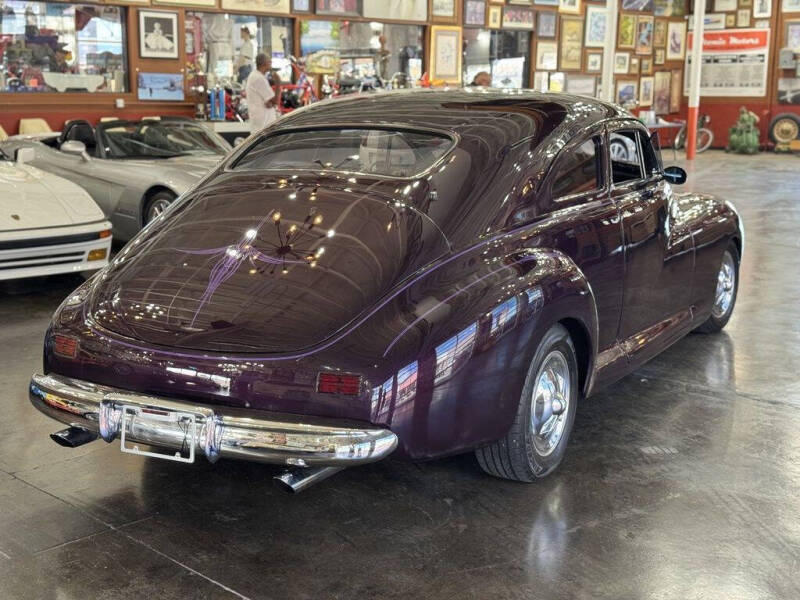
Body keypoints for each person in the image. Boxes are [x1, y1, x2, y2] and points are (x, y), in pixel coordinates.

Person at [245, 53, 278, 133]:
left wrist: (271, 103)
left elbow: (270, 102)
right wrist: (278, 84)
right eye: (270, 61)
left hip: (263, 126)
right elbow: (275, 101)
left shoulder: (257, 76)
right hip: (263, 127)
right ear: (264, 63)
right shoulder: (258, 78)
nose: (271, 63)